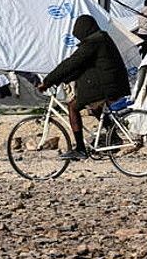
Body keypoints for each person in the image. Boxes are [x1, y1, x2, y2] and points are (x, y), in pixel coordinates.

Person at [37, 15, 130, 158]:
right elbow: (83, 66)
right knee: (95, 106)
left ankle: (80, 148)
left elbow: (73, 62)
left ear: (83, 30)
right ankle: (112, 135)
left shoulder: (94, 42)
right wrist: (63, 78)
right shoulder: (101, 38)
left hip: (108, 85)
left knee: (73, 106)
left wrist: (48, 81)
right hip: (114, 82)